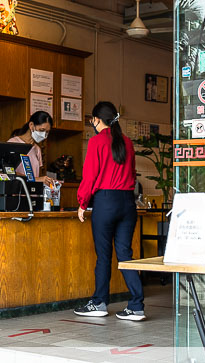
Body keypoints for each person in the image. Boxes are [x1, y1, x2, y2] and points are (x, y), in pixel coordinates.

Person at [73, 101, 145, 322]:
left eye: (92, 120)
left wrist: (82, 203)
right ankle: (136, 306)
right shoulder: (127, 143)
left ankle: (99, 303)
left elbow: (90, 176)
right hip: (127, 202)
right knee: (125, 255)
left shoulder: (96, 142)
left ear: (97, 120)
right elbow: (132, 174)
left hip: (105, 201)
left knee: (103, 255)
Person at [8, 111, 54, 187]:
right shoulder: (12, 143)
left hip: (33, 193)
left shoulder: (37, 149)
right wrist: (36, 179)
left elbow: (38, 175)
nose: (44, 135)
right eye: (42, 130)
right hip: (17, 193)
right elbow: (7, 173)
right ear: (31, 125)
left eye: (47, 132)